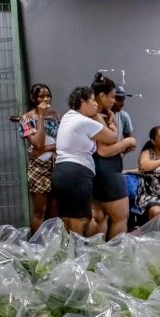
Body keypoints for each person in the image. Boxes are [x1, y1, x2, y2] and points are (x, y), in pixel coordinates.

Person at [51, 86, 118, 235]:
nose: (96, 104)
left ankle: (70, 254)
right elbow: (112, 138)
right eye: (93, 100)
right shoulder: (83, 121)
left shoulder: (68, 117)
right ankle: (77, 256)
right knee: (80, 220)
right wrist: (112, 124)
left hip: (60, 172)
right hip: (76, 173)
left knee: (67, 219)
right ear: (83, 101)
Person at [88, 73, 137, 240]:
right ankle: (115, 257)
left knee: (100, 217)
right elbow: (104, 150)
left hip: (99, 170)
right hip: (106, 171)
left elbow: (112, 139)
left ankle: (96, 257)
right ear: (101, 96)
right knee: (120, 217)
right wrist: (128, 141)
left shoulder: (101, 115)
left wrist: (112, 122)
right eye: (112, 97)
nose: (114, 101)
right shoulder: (95, 116)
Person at [18, 83, 60, 233]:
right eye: (41, 96)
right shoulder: (26, 119)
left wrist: (43, 149)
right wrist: (41, 116)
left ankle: (54, 245)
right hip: (38, 168)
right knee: (39, 211)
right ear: (33, 98)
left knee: (54, 211)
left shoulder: (55, 116)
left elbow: (61, 142)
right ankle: (36, 246)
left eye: (48, 95)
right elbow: (37, 142)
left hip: (56, 164)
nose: (45, 99)